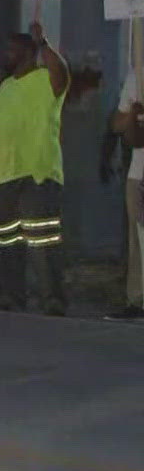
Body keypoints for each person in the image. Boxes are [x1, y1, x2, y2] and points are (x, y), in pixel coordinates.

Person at [0, 23, 71, 315]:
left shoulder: (46, 79)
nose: (6, 53)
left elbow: (62, 75)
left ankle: (52, 298)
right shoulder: (6, 86)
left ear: (28, 51)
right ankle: (13, 295)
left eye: (12, 48)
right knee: (6, 239)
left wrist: (43, 42)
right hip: (3, 176)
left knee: (43, 240)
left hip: (37, 171)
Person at [105, 67, 144, 322]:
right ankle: (136, 299)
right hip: (138, 173)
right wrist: (134, 116)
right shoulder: (137, 77)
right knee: (137, 239)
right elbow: (118, 124)